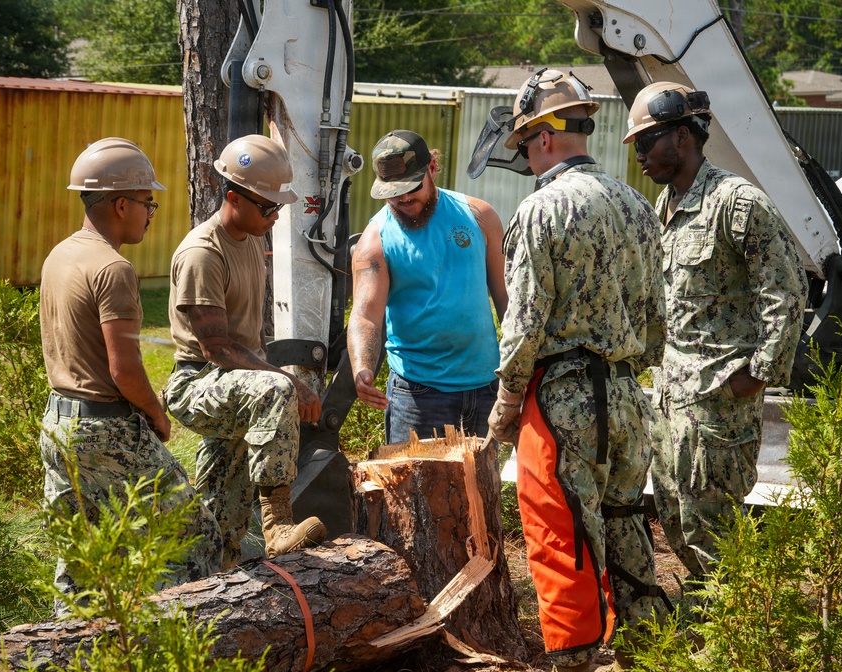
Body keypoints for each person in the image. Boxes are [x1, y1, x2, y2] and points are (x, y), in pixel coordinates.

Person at [485, 69, 669, 672]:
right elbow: (655, 317)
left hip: (562, 394)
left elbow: (524, 320)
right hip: (624, 394)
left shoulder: (540, 209)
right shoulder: (635, 203)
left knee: (559, 530)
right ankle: (651, 666)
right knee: (624, 523)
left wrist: (506, 404)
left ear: (539, 136)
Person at [624, 82, 808, 583]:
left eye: (646, 141)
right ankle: (706, 627)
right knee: (677, 522)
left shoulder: (737, 203)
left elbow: (786, 293)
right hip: (671, 400)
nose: (639, 154)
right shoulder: (665, 208)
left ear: (682, 136)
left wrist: (756, 375)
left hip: (719, 405)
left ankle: (728, 645)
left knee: (715, 533)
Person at [40, 137, 222, 606]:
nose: (149, 212)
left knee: (81, 559)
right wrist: (157, 414)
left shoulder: (60, 255)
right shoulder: (113, 269)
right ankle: (176, 644)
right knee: (192, 535)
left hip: (58, 423)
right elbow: (125, 369)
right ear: (121, 204)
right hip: (106, 429)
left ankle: (65, 659)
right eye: (147, 203)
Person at [163, 134, 327, 570]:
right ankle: (276, 527)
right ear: (233, 198)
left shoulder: (252, 236)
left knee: (221, 520)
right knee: (275, 389)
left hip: (236, 386)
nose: (275, 215)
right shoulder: (203, 253)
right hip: (197, 383)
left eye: (279, 206)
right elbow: (216, 348)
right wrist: (288, 381)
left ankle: (217, 592)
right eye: (267, 206)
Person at [348, 130, 508, 444]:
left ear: (432, 168)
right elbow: (365, 315)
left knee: (480, 490)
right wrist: (362, 368)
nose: (404, 199)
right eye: (393, 193)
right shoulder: (375, 240)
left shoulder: (480, 217)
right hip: (418, 397)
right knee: (415, 491)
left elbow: (505, 297)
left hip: (486, 387)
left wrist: (520, 368)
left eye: (412, 188)